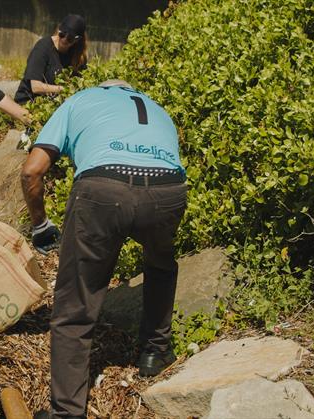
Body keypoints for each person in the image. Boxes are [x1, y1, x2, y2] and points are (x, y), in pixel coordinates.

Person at [21, 80, 187, 418]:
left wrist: (40, 224)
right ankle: (155, 352)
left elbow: (32, 170)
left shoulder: (79, 99)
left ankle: (67, 411)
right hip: (167, 190)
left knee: (76, 301)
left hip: (103, 189)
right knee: (161, 263)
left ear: (104, 88)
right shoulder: (157, 107)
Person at [14, 14, 89, 104]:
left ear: (77, 40)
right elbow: (36, 87)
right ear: (59, 30)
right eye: (62, 34)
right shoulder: (43, 47)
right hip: (30, 102)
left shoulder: (79, 56)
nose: (64, 40)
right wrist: (65, 89)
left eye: (70, 38)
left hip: (55, 104)